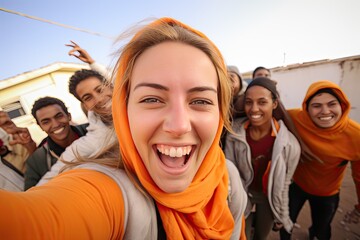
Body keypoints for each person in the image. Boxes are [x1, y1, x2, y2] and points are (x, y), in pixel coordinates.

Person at [0, 17, 248, 239]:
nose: (179, 125)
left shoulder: (226, 177)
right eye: (151, 99)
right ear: (124, 108)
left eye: (201, 101)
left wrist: (93, 62)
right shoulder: (105, 178)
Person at [280, 80, 360, 240]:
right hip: (296, 186)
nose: (325, 111)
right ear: (307, 109)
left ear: (342, 105)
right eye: (316, 106)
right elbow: (274, 110)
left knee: (321, 231)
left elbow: (359, 178)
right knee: (284, 224)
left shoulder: (355, 136)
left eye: (332, 104)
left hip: (327, 194)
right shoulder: (296, 118)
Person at [225, 77, 301, 240]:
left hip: (267, 199)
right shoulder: (234, 134)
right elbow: (229, 175)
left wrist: (282, 214)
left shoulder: (289, 145)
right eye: (248, 102)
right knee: (239, 235)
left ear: (274, 104)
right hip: (242, 194)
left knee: (261, 235)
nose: (254, 109)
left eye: (262, 102)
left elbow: (284, 184)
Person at [36, 43, 115, 186]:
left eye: (100, 89)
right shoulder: (95, 138)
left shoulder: (138, 104)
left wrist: (93, 63)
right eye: (87, 97)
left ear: (111, 86)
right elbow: (56, 172)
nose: (98, 99)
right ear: (85, 106)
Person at [24, 96, 88, 190]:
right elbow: (32, 197)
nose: (55, 124)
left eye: (59, 116)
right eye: (46, 122)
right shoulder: (37, 161)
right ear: (40, 126)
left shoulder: (94, 131)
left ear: (69, 116)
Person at [220, 65, 247, 149]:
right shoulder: (219, 101)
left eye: (232, 77)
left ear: (240, 81)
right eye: (225, 79)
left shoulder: (246, 100)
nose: (229, 83)